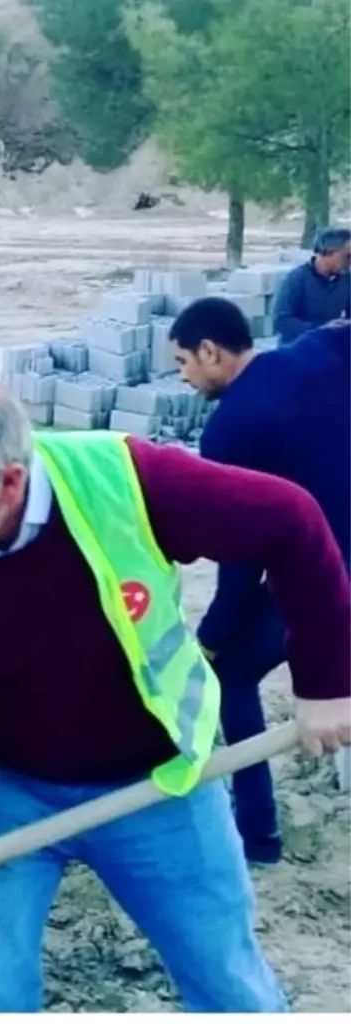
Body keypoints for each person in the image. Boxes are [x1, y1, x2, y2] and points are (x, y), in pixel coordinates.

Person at [0, 370, 351, 1012]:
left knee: (230, 986)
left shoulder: (123, 483)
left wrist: (325, 681)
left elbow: (290, 521)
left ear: (8, 483)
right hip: (5, 795)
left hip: (157, 786)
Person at [171, 295, 351, 864]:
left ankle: (259, 838)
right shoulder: (322, 348)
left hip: (330, 576)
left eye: (183, 363)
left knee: (231, 676)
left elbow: (242, 561)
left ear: (211, 351)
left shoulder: (228, 431)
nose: (184, 377)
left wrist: (215, 633)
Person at [271, 227, 351, 341]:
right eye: (348, 256)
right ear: (329, 252)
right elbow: (281, 321)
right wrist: (321, 328)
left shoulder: (346, 279)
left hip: (328, 347)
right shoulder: (296, 279)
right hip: (297, 349)